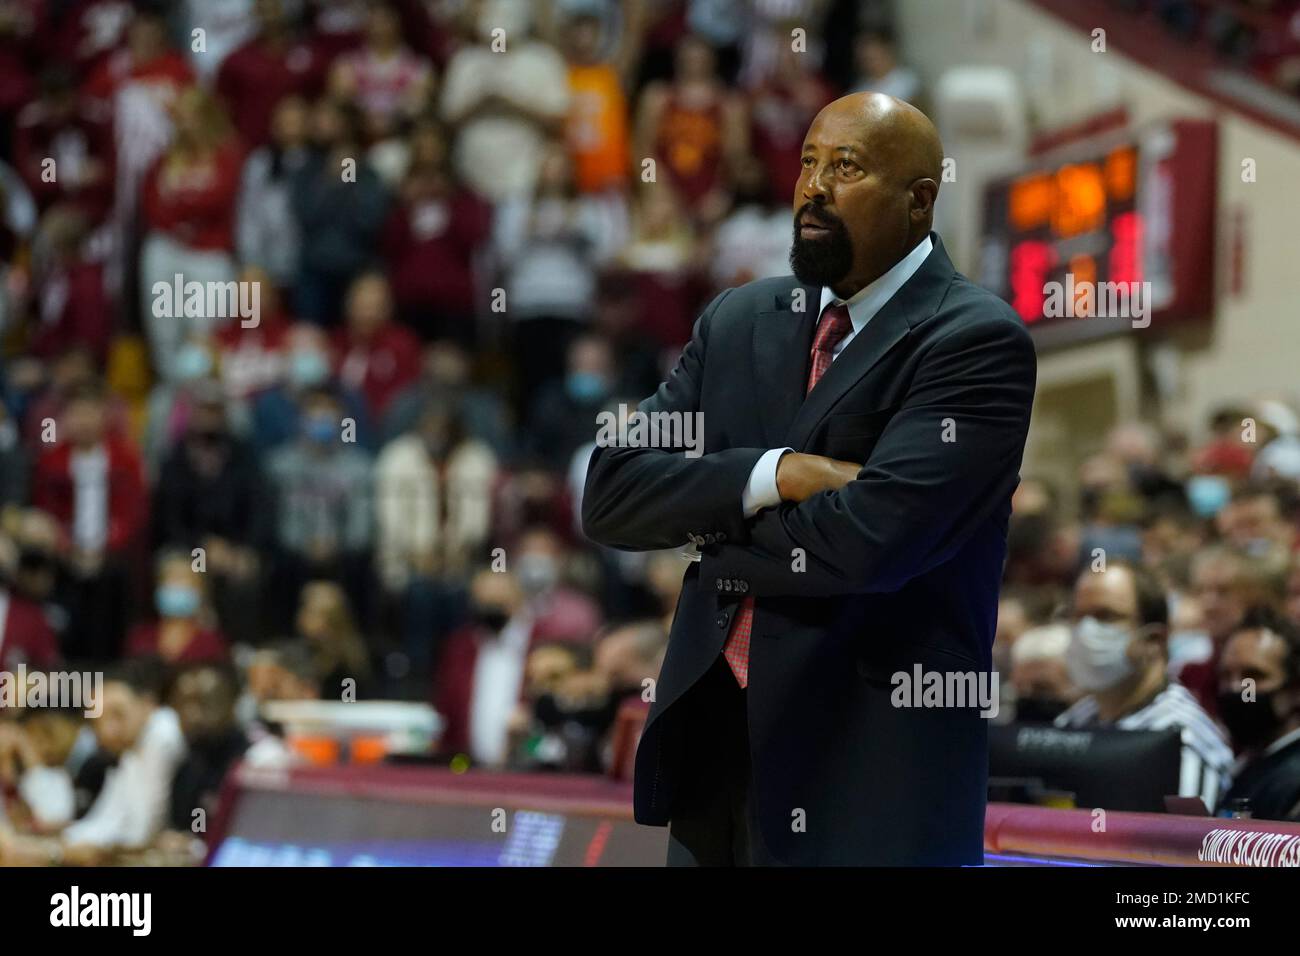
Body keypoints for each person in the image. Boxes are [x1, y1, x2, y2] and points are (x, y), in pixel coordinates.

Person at [583, 93, 1037, 865]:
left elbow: (872, 544)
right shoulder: (738, 320)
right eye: (808, 163)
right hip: (715, 761)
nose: (814, 187)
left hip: (870, 779)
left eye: (847, 167)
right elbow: (611, 492)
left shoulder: (975, 339)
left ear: (918, 199)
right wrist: (775, 474)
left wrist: (711, 538)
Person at [1055, 561, 1233, 810]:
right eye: (1077, 616)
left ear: (1154, 640)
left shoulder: (1184, 742)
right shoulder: (1075, 720)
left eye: (1105, 616)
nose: (1085, 630)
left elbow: (1187, 844)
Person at [1214, 606, 1300, 821]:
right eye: (1226, 675)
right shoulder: (1248, 764)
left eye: (1252, 676)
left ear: (1295, 690)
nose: (1239, 689)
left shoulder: (1293, 777)